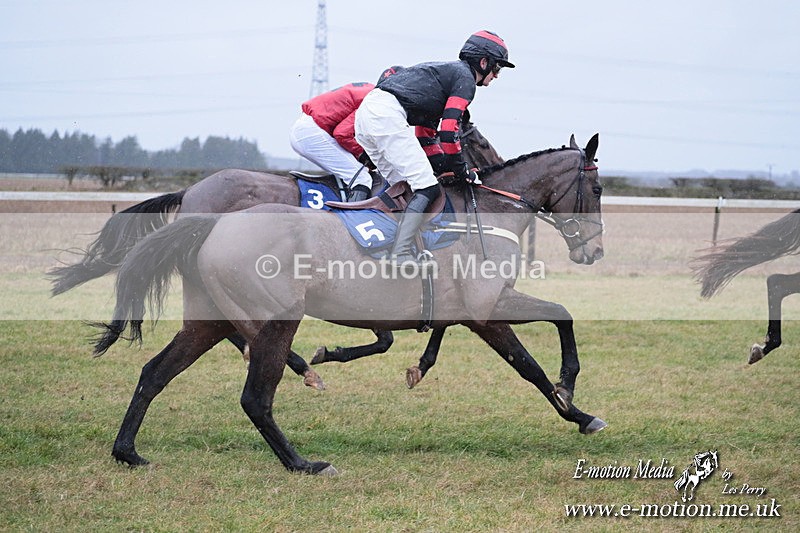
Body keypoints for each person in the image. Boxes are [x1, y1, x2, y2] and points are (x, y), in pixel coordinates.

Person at [355, 30, 514, 266]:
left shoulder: (444, 78)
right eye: (497, 68)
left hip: (367, 116)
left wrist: (444, 166)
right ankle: (400, 254)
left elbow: (425, 136)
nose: (497, 75)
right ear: (483, 62)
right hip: (385, 115)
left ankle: (391, 244)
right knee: (427, 188)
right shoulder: (465, 80)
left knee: (404, 188)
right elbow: (449, 132)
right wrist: (462, 171)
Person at [289, 66, 403, 202]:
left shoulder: (369, 90)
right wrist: (364, 155)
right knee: (362, 178)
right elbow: (342, 134)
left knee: (355, 171)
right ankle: (351, 215)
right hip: (314, 132)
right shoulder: (375, 101)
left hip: (310, 128)